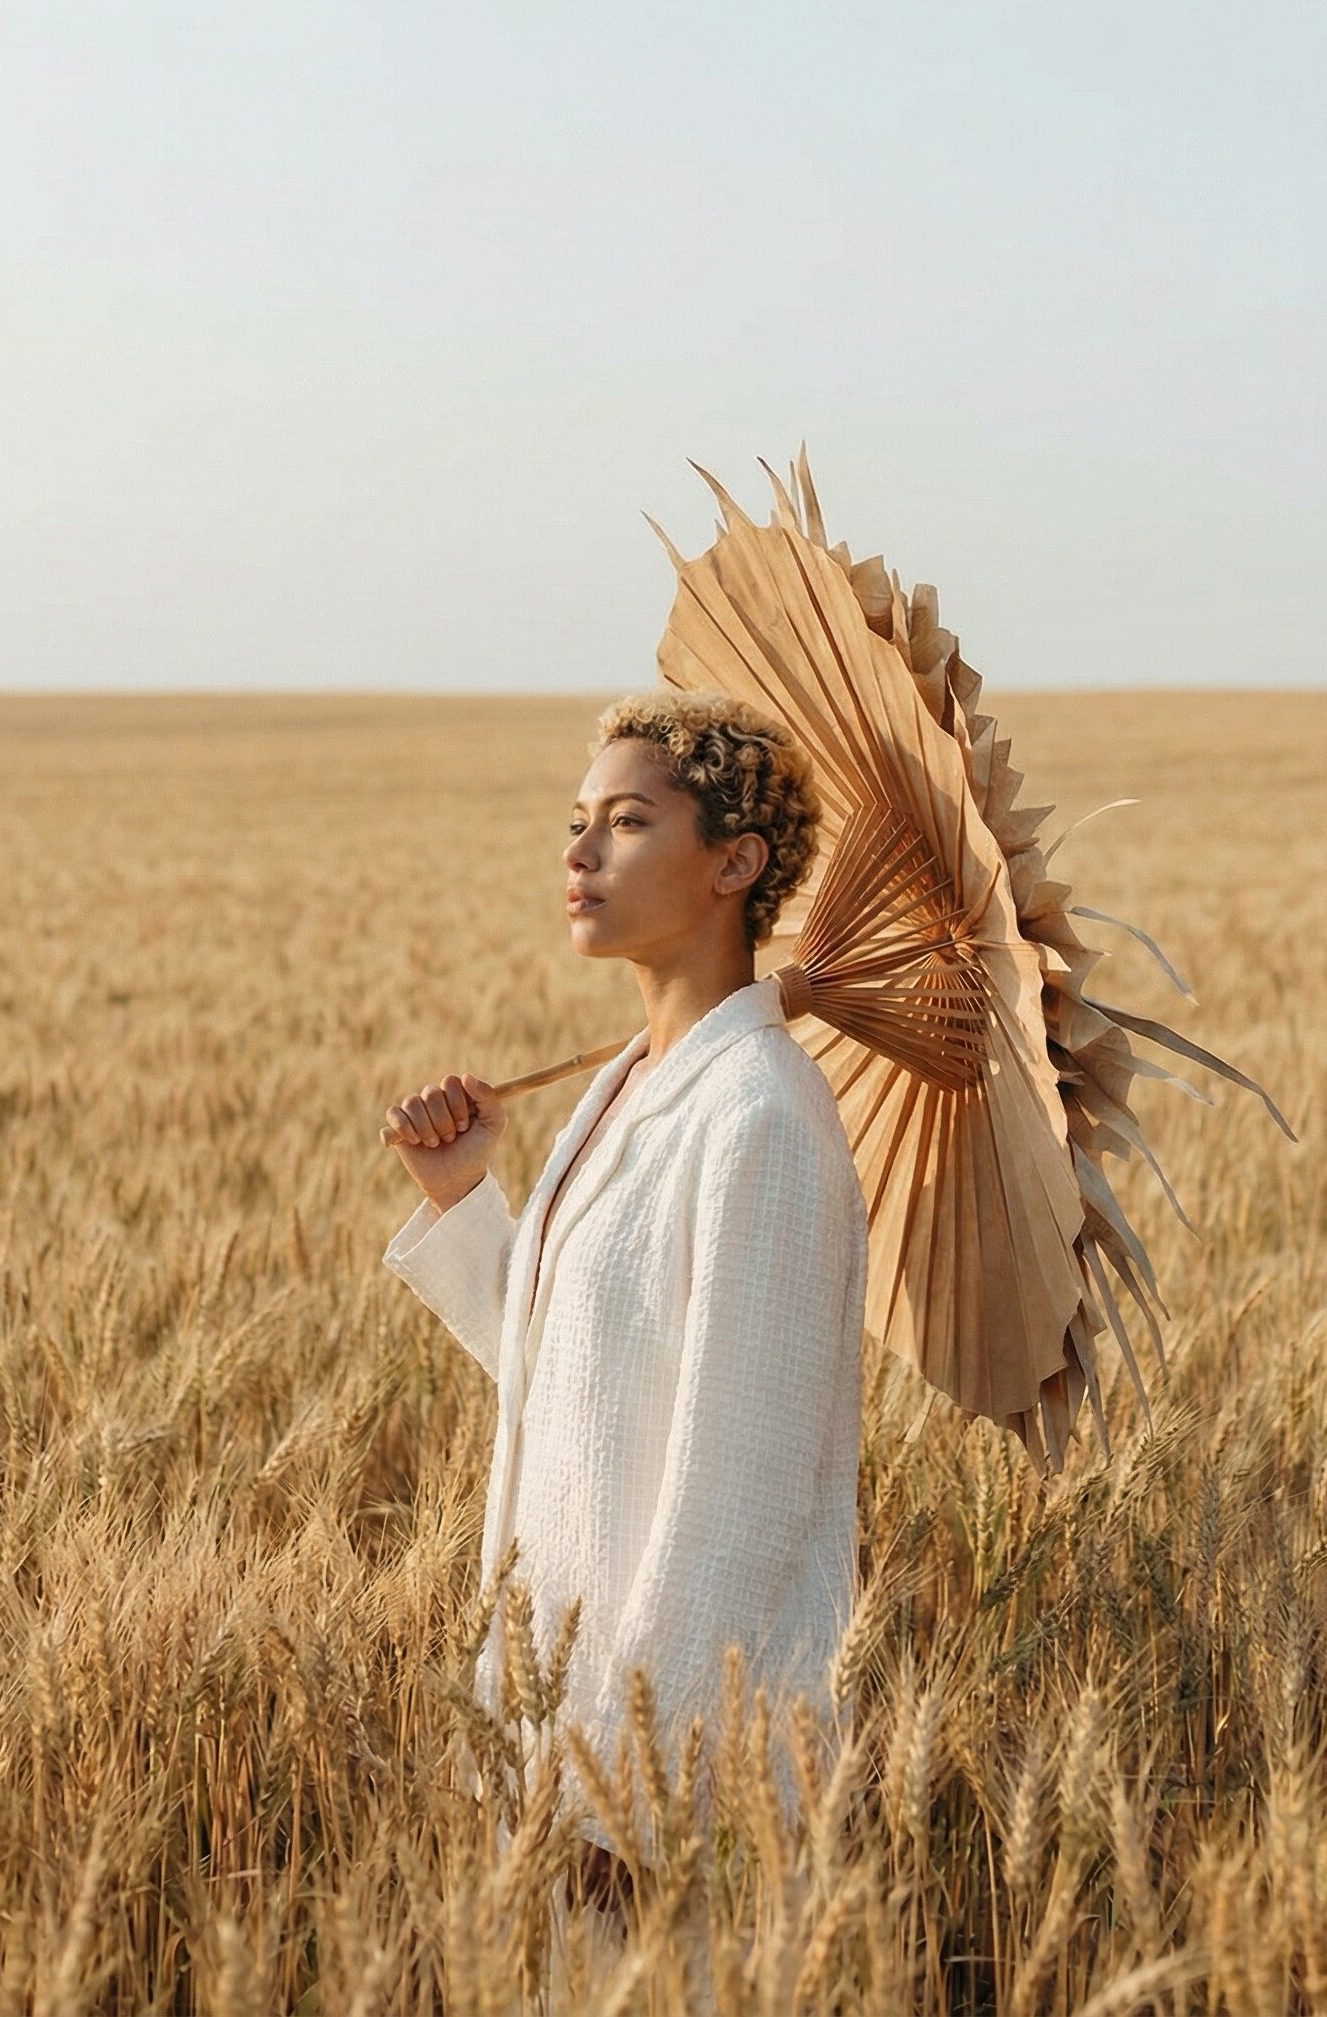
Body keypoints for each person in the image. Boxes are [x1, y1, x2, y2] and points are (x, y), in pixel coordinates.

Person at [381, 688, 868, 1986]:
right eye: (577, 822)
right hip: (560, 1738)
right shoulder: (629, 1087)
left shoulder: (760, 1117)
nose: (579, 852)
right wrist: (470, 1204)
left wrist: (625, 1795)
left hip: (674, 1795)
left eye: (628, 821)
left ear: (735, 863)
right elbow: (580, 1389)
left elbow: (741, 1495)